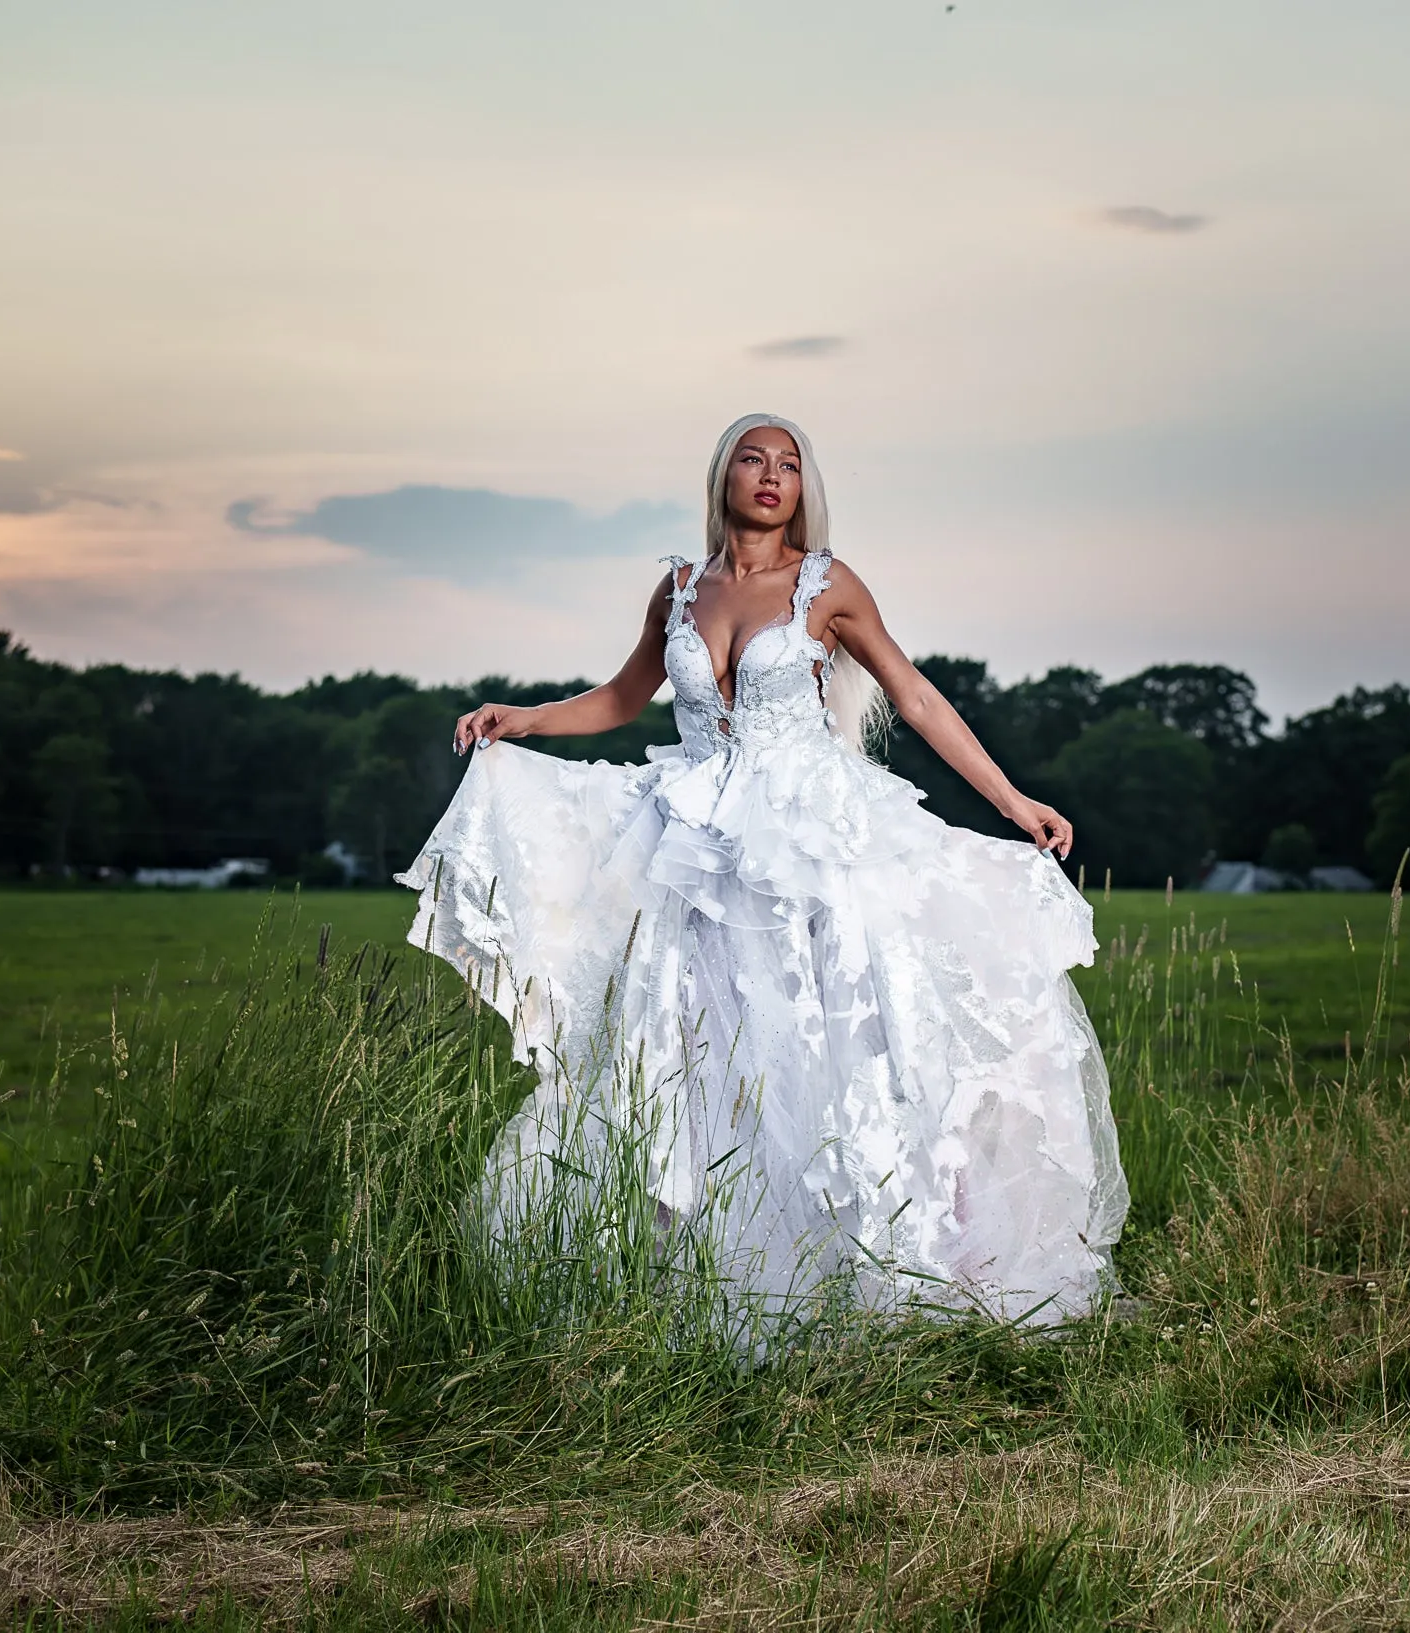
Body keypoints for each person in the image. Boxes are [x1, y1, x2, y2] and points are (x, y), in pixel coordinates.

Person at [402, 413, 1127, 1333]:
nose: (771, 476)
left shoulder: (827, 585)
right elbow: (626, 698)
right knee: (702, 1048)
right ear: (723, 478)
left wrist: (1013, 800)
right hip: (698, 849)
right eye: (753, 459)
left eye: (789, 464)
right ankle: (709, 1267)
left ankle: (885, 1264)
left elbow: (914, 694)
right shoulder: (679, 588)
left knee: (830, 1045)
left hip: (814, 846)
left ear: (802, 487)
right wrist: (525, 716)